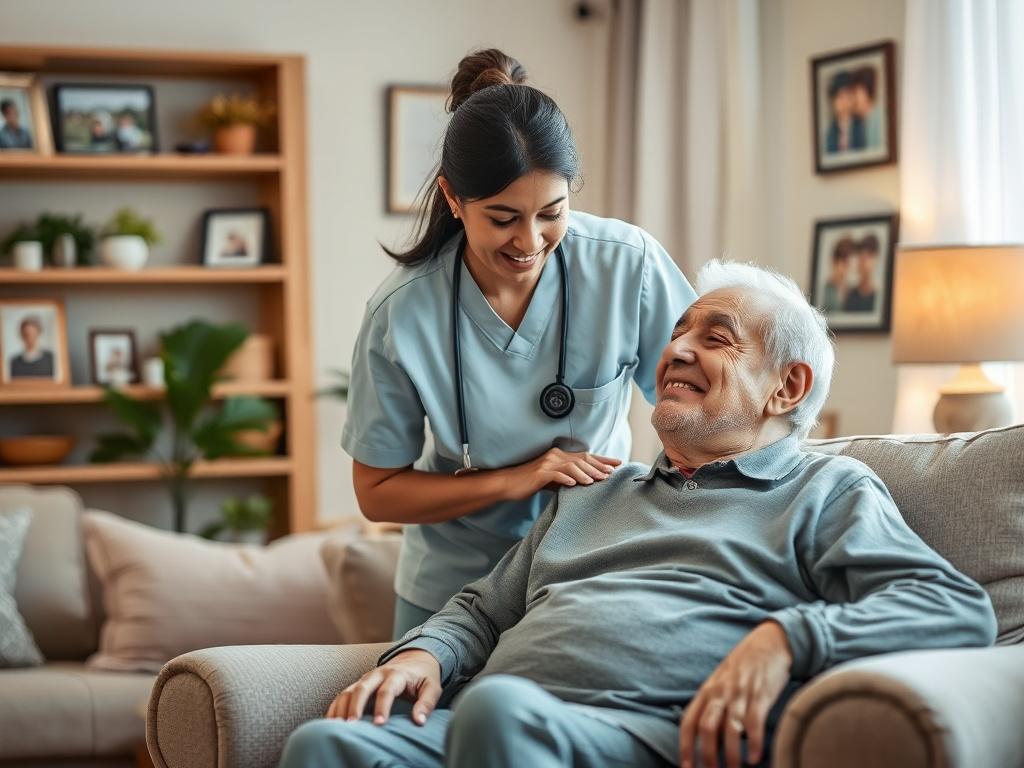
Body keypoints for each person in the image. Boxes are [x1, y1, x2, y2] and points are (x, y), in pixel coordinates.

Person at [280, 260, 996, 768]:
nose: (675, 349)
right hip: (497, 724)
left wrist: (786, 637)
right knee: (326, 744)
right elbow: (482, 608)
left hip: (648, 734)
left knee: (499, 711)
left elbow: (954, 608)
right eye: (677, 333)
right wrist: (423, 653)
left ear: (787, 388)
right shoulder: (595, 490)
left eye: (715, 338)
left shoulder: (827, 491)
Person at [342, 49, 696, 638]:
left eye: (551, 213)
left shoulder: (626, 265)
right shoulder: (401, 313)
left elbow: (700, 400)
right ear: (454, 200)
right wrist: (522, 476)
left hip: (593, 571)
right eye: (502, 218)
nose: (529, 241)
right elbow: (377, 492)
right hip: (450, 590)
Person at [824, 71, 865, 153]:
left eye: (847, 96)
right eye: (839, 96)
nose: (844, 102)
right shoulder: (830, 132)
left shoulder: (861, 126)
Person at [842, 233, 879, 313]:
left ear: (875, 260)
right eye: (861, 259)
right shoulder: (849, 296)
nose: (863, 264)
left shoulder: (879, 297)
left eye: (868, 258)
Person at [851, 66, 882, 149]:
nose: (852, 98)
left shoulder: (879, 120)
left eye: (855, 92)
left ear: (866, 91)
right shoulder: (861, 123)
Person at [822, 235, 854, 312]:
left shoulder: (851, 291)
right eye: (845, 263)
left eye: (848, 264)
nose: (846, 270)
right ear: (835, 261)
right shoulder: (825, 291)